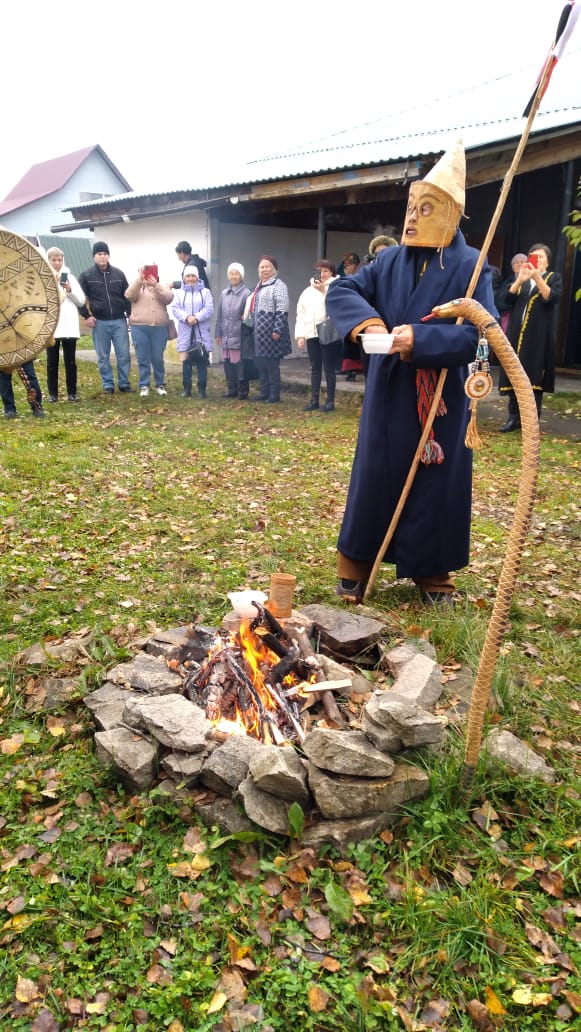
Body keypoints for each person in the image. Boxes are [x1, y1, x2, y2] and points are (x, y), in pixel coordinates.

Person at [326, 139, 497, 606]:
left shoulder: (472, 265)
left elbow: (482, 335)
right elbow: (342, 290)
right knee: (376, 474)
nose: (413, 218)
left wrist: (419, 341)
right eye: (410, 207)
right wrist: (372, 324)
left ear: (449, 212)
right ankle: (357, 563)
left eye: (425, 208)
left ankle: (431, 571)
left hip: (439, 398)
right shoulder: (389, 260)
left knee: (434, 484)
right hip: (389, 391)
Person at [497, 245, 561, 431]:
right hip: (516, 334)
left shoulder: (552, 278)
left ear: (548, 261)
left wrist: (537, 278)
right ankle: (513, 417)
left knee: (533, 374)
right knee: (513, 372)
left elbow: (552, 297)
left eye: (541, 258)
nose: (537, 260)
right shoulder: (522, 279)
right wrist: (520, 280)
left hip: (538, 337)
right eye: (534, 257)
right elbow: (505, 301)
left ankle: (531, 420)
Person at [78, 242, 133, 394]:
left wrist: (130, 314)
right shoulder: (86, 275)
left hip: (119, 321)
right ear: (94, 256)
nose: (102, 256)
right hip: (99, 322)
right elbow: (78, 298)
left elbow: (127, 295)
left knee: (124, 354)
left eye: (104, 253)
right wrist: (87, 316)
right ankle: (108, 384)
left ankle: (124, 383)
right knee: (103, 356)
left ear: (108, 255)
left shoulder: (118, 274)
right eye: (99, 254)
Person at [295, 259, 341, 412]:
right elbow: (300, 315)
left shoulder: (337, 287)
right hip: (312, 334)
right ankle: (314, 400)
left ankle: (330, 401)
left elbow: (337, 308)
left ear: (332, 273)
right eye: (319, 271)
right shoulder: (307, 292)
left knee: (329, 368)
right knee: (315, 368)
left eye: (326, 271)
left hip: (328, 333)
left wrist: (323, 292)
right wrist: (300, 335)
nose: (322, 274)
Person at [246, 256, 291, 403]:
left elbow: (282, 309)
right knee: (260, 365)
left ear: (274, 270)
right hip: (258, 334)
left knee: (272, 365)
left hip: (272, 333)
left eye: (268, 266)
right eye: (262, 267)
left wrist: (277, 328)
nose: (264, 269)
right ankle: (263, 393)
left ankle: (274, 395)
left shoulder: (279, 285)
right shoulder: (258, 287)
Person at [125, 265, 173, 397]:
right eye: (144, 271)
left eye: (150, 271)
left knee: (158, 358)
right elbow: (129, 295)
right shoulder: (136, 286)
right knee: (143, 358)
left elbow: (168, 298)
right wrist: (139, 280)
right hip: (139, 326)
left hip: (159, 327)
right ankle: (144, 385)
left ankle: (160, 384)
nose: (147, 274)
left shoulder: (161, 286)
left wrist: (156, 285)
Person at [45, 246, 85, 402]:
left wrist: (69, 290)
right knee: (51, 362)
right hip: (52, 327)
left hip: (68, 326)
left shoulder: (70, 277)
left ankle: (72, 393)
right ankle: (53, 394)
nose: (57, 263)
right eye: (53, 260)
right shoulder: (45, 277)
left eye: (59, 260)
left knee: (70, 362)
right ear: (48, 261)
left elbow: (81, 300)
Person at [171, 266, 214, 399]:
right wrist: (186, 317)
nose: (190, 278)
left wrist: (196, 317)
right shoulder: (179, 293)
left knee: (201, 363)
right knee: (186, 362)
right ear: (184, 278)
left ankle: (202, 390)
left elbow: (209, 308)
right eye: (188, 276)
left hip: (201, 333)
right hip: (185, 333)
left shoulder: (206, 292)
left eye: (193, 276)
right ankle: (187, 389)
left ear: (197, 277)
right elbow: (175, 308)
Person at [214, 263, 252, 399]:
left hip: (239, 334)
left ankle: (242, 391)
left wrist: (245, 316)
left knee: (239, 364)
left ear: (241, 276)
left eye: (236, 274)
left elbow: (249, 314)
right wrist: (218, 333)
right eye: (231, 273)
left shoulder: (247, 293)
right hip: (225, 334)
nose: (233, 276)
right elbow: (219, 315)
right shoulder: (224, 293)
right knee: (228, 364)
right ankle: (231, 389)